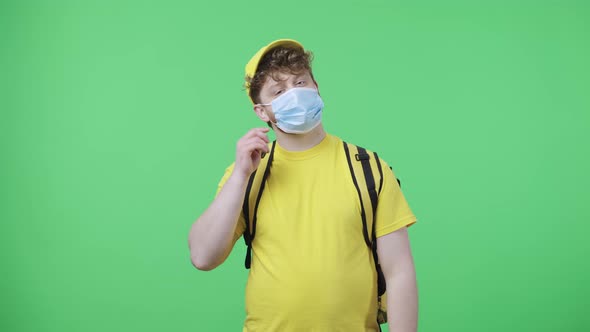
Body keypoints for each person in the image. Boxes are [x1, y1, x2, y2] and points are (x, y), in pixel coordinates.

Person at [188, 38, 418, 332]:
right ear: (262, 111)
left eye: (300, 82)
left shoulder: (368, 167)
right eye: (279, 90)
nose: (294, 94)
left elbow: (399, 272)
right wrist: (240, 177)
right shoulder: (247, 174)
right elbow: (203, 256)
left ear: (316, 87)